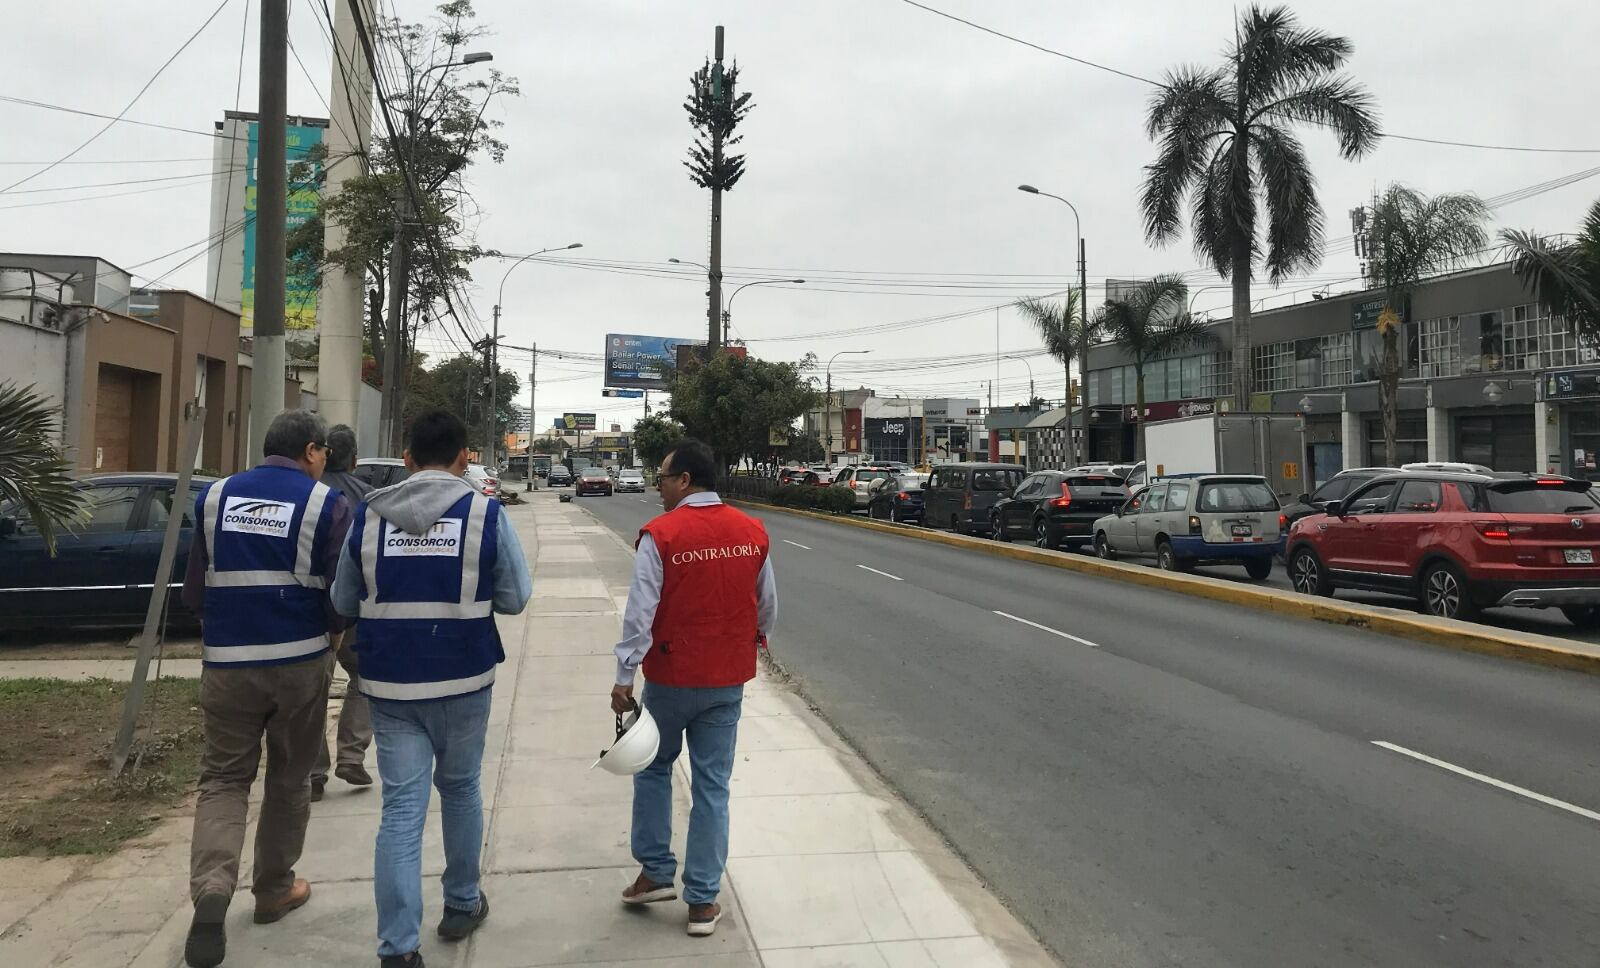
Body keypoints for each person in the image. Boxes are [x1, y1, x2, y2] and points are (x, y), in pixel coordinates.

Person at [331, 409, 531, 968]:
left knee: (401, 811)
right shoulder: (485, 515)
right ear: (465, 458)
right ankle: (462, 903)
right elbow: (515, 597)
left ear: (407, 460)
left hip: (391, 687)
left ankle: (397, 948)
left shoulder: (367, 520)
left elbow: (344, 604)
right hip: (465, 680)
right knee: (462, 788)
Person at [181, 410, 353, 968]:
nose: (324, 461)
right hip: (298, 663)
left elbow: (196, 592)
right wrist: (333, 637)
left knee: (224, 779)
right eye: (323, 452)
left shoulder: (214, 498)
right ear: (311, 451)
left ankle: (211, 888)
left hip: (227, 664)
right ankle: (274, 888)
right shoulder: (326, 503)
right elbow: (339, 593)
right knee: (289, 775)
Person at [611, 438, 777, 937]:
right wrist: (753, 640)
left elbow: (640, 612)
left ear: (684, 480)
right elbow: (767, 604)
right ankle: (702, 902)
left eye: (662, 478)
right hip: (727, 678)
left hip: (670, 679)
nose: (658, 488)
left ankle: (656, 873)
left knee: (653, 769)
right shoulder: (751, 531)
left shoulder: (660, 535)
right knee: (712, 787)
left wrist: (624, 677)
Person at [312, 423, 375, 798]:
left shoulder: (309, 495)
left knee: (311, 691)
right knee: (366, 677)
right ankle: (351, 755)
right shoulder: (368, 497)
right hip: (355, 609)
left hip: (310, 610)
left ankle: (313, 772)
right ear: (354, 459)